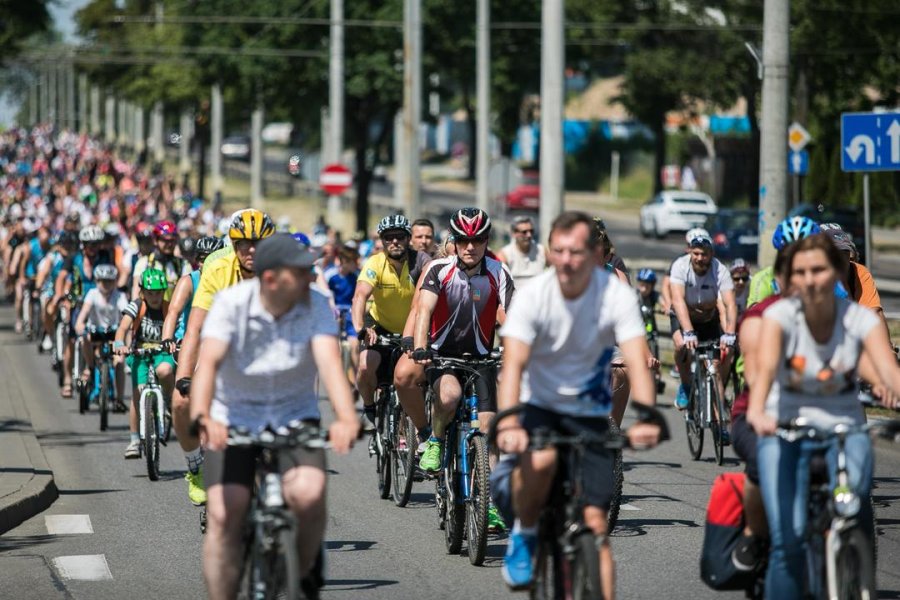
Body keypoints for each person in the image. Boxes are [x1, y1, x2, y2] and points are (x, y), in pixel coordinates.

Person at [494, 211, 664, 596]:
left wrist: (649, 414)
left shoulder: (614, 294)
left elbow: (637, 355)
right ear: (549, 254)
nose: (568, 259)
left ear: (593, 253)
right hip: (541, 405)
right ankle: (524, 532)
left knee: (596, 526)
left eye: (577, 251)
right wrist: (507, 423)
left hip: (588, 414)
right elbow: (514, 364)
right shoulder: (534, 296)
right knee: (542, 460)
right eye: (559, 251)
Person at [189, 233, 359, 600]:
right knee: (225, 512)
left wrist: (346, 417)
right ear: (270, 278)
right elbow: (208, 365)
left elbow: (330, 364)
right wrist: (203, 416)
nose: (309, 278)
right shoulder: (232, 304)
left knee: (310, 494)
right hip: (234, 417)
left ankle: (303, 571)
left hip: (294, 415)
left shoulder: (314, 304)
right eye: (299, 272)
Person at [746, 233, 900, 599]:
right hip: (786, 430)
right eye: (801, 271)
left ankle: (855, 571)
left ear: (838, 272)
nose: (811, 278)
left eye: (820, 269)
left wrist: (889, 385)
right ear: (789, 277)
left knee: (857, 505)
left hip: (845, 430)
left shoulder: (858, 319)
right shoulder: (779, 318)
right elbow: (764, 371)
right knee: (790, 541)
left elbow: (886, 369)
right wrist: (757, 411)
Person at [412, 207, 514, 529]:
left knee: (490, 427)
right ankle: (437, 440)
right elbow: (424, 310)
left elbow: (515, 318)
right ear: (454, 241)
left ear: (487, 240)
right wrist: (419, 347)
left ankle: (491, 502)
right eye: (464, 240)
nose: (471, 247)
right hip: (442, 356)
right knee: (451, 394)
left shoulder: (499, 272)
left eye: (478, 240)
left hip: (481, 358)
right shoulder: (438, 269)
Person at [174, 208, 276, 505]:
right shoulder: (217, 269)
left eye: (259, 243)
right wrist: (184, 377)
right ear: (233, 243)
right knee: (181, 402)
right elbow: (195, 329)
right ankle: (196, 467)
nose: (252, 250)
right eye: (244, 243)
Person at [352, 214, 430, 430]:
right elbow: (359, 297)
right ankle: (369, 406)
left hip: (413, 332)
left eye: (399, 237)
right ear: (382, 241)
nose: (394, 242)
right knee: (365, 364)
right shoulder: (375, 263)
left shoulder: (421, 261)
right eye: (388, 237)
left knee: (415, 379)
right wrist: (361, 328)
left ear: (408, 239)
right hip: (381, 328)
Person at [670, 232, 737, 410]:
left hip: (708, 318)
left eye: (704, 254)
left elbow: (729, 304)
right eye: (696, 253)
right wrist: (688, 332)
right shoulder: (680, 266)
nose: (700, 258)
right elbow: (677, 300)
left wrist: (729, 333)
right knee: (680, 345)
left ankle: (720, 422)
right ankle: (685, 386)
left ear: (711, 254)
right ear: (690, 252)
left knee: (713, 368)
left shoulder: (720, 270)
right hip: (683, 315)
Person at [115, 268, 176, 459]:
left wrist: (177, 342)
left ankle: (167, 401)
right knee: (137, 393)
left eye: (158, 292)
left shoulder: (169, 308)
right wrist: (119, 343)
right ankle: (134, 440)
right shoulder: (137, 305)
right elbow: (123, 326)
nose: (155, 297)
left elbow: (178, 328)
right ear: (142, 292)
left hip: (162, 352)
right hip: (140, 352)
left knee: (165, 371)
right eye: (150, 293)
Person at [73, 264, 127, 406]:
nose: (106, 284)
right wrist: (80, 325)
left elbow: (125, 314)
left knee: (119, 361)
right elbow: (83, 315)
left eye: (110, 281)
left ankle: (119, 399)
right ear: (97, 281)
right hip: (95, 332)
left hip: (114, 334)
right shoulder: (92, 294)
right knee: (84, 339)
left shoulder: (119, 295)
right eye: (103, 281)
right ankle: (90, 367)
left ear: (114, 281)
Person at [161, 235, 225, 348]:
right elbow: (173, 312)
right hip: (187, 340)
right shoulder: (188, 281)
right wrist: (167, 339)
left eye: (213, 258)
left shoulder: (229, 281)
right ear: (196, 260)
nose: (208, 263)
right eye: (203, 258)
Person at [322, 245, 361, 390]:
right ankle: (336, 377)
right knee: (335, 345)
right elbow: (326, 296)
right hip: (336, 311)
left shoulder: (356, 277)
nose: (355, 265)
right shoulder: (331, 276)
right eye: (352, 262)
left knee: (355, 345)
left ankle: (356, 380)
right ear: (343, 261)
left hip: (351, 312)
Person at [131, 220, 190, 301]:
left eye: (172, 240)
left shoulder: (183, 264)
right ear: (155, 240)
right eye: (165, 240)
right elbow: (136, 292)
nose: (169, 244)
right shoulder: (143, 263)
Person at [495, 215, 546, 285]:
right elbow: (495, 281)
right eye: (524, 232)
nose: (529, 235)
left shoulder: (542, 250)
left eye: (531, 231)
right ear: (514, 234)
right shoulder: (504, 255)